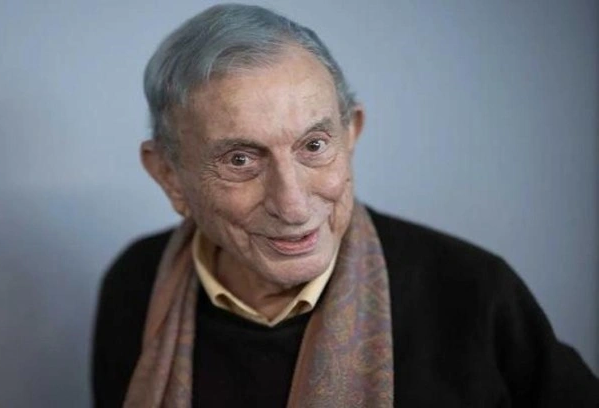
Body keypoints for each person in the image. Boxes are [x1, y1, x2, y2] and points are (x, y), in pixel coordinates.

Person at [92, 4, 599, 407]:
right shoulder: (136, 282)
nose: (293, 206)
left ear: (350, 134)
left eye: (314, 145)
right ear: (169, 175)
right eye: (240, 159)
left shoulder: (474, 294)